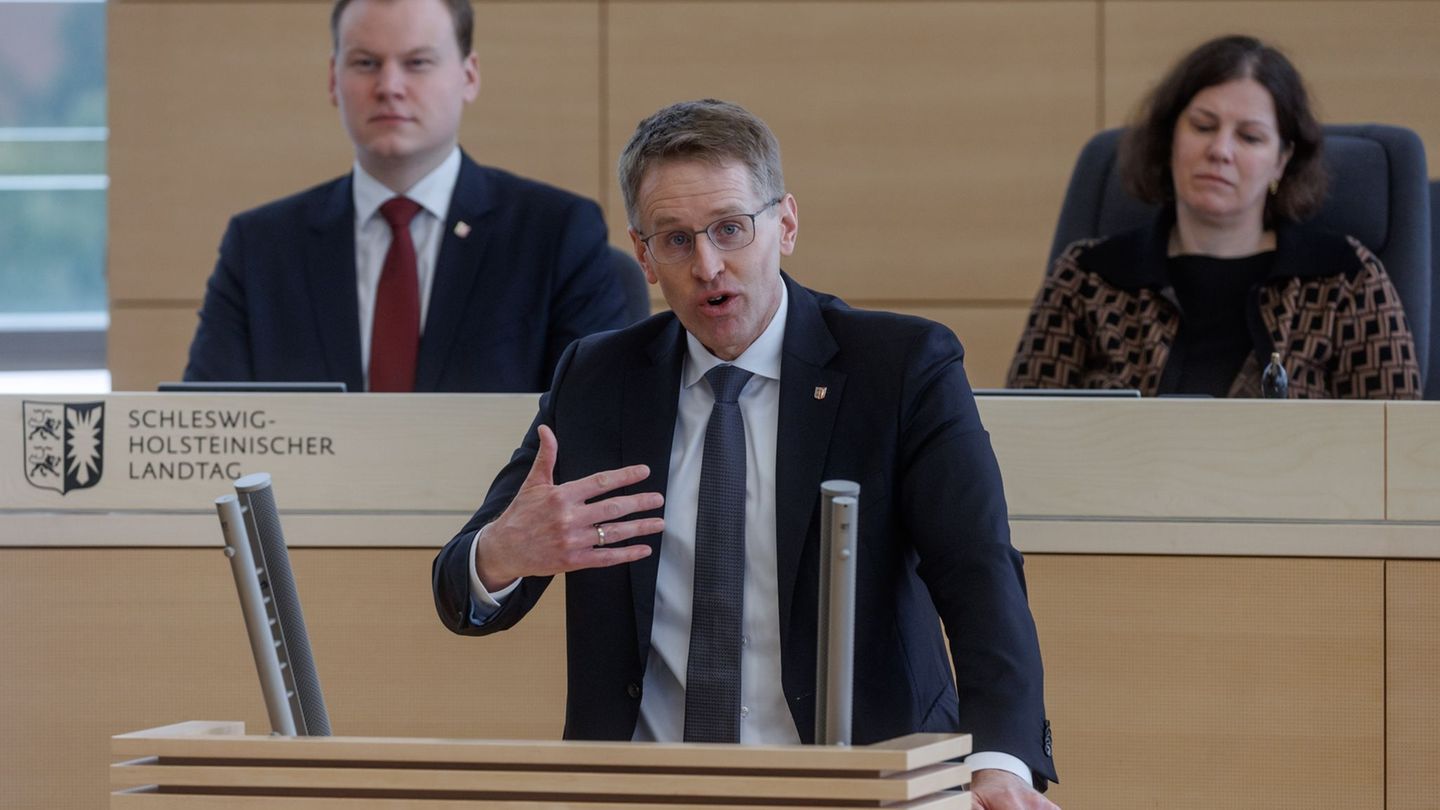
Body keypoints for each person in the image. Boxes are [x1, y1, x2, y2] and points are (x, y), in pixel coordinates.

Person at [432, 99, 1059, 809]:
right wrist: (502, 554)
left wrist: (1000, 761)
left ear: (785, 224)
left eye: (731, 229)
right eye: (674, 240)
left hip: (860, 785)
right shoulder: (598, 379)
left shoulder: (902, 368)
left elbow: (980, 576)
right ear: (642, 255)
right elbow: (460, 593)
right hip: (643, 791)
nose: (707, 266)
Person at [183, 0, 632, 393]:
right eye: (365, 63)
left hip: (497, 493)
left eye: (417, 63)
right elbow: (209, 432)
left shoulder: (555, 233)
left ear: (469, 76)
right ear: (333, 80)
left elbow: (593, 424)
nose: (389, 86)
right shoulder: (260, 247)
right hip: (310, 495)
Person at [1007, 34, 1422, 398]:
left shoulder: (1347, 280)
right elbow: (1020, 440)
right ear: (1170, 138)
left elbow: (1394, 451)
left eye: (1249, 137)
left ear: (1281, 161)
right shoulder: (1086, 279)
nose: (1220, 150)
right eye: (1203, 126)